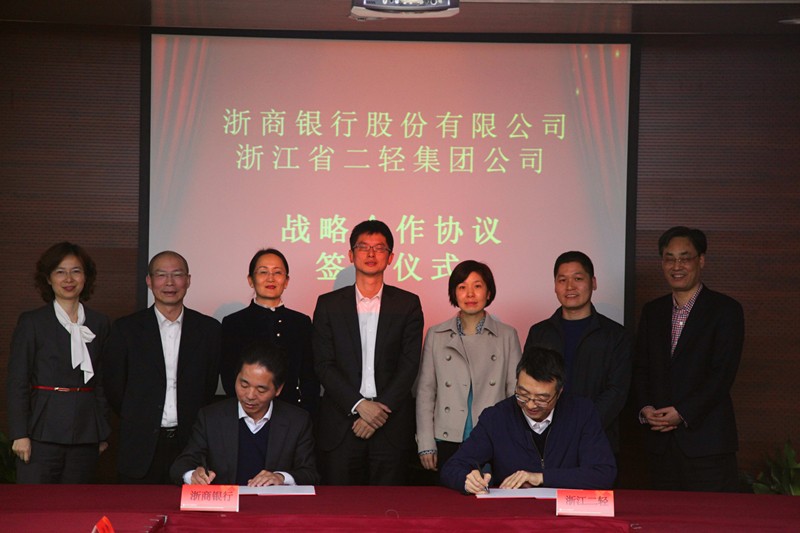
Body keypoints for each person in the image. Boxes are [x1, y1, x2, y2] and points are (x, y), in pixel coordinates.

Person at [313, 219, 424, 485]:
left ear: (391, 257)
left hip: (390, 425)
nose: (371, 254)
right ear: (351, 255)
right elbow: (323, 364)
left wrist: (378, 412)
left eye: (379, 248)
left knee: (389, 505)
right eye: (363, 247)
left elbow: (409, 364)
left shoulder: (408, 304)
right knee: (340, 505)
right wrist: (359, 405)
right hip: (342, 424)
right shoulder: (328, 304)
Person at [633, 226, 744, 492]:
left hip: (707, 445)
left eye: (685, 258)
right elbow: (641, 368)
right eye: (669, 258)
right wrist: (646, 408)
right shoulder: (653, 311)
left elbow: (722, 375)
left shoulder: (725, 310)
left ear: (701, 260)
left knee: (711, 515)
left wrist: (682, 412)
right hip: (660, 445)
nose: (676, 266)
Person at [103, 250, 221, 484]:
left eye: (177, 274)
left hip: (191, 443)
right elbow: (114, 388)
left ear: (188, 280)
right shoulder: (126, 329)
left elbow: (208, 385)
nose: (169, 282)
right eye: (161, 275)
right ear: (149, 281)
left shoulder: (209, 330)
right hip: (140, 444)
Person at [440, 346, 616, 493]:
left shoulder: (582, 413)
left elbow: (603, 473)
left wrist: (540, 478)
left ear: (559, 392)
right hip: (514, 513)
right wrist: (467, 480)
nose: (531, 405)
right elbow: (452, 467)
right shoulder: (496, 418)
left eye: (542, 398)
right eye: (522, 394)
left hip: (566, 513)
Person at [7, 242, 111, 484]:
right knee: (36, 502)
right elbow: (17, 381)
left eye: (76, 271)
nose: (68, 279)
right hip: (41, 429)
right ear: (48, 278)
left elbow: (103, 382)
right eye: (60, 272)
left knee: (77, 502)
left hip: (86, 430)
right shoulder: (32, 322)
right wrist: (20, 434)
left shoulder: (100, 322)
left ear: (86, 277)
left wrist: (102, 430)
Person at [415, 260, 521, 476]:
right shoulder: (436, 335)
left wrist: (513, 441)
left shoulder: (507, 335)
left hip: (493, 436)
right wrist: (426, 443)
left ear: (489, 293)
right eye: (462, 287)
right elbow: (426, 392)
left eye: (477, 286)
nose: (470, 294)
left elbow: (515, 392)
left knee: (490, 494)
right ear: (454, 293)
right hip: (447, 436)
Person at [170, 340, 319, 486]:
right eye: (244, 385)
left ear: (278, 389)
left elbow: (310, 474)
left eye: (261, 389)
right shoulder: (211, 417)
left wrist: (281, 477)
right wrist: (193, 475)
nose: (250, 395)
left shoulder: (297, 421)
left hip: (272, 501)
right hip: (226, 501)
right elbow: (181, 465)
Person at [523, 251, 631, 452]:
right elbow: (528, 385)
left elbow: (617, 391)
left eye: (578, 279)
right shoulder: (539, 333)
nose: (570, 286)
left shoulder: (616, 335)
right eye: (562, 280)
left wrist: (580, 427)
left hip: (597, 440)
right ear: (555, 286)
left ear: (593, 282)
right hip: (545, 441)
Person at [220, 248, 318, 415]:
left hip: (292, 414)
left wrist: (305, 414)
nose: (270, 278)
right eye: (263, 272)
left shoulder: (301, 322)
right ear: (251, 280)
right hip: (245, 413)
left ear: (286, 281)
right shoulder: (233, 323)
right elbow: (229, 377)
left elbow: (310, 377)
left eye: (277, 272)